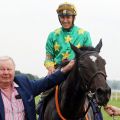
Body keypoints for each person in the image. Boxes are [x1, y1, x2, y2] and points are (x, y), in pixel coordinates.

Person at [0, 56, 74, 120]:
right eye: (2, 69)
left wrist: (66, 69)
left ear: (14, 70)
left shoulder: (24, 85)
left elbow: (47, 82)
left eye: (9, 69)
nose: (6, 72)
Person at [44, 2, 92, 75]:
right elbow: (48, 58)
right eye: (62, 17)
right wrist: (50, 67)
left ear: (73, 18)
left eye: (68, 17)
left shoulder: (85, 35)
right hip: (58, 72)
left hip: (77, 72)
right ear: (59, 18)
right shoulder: (52, 35)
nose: (65, 20)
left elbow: (88, 57)